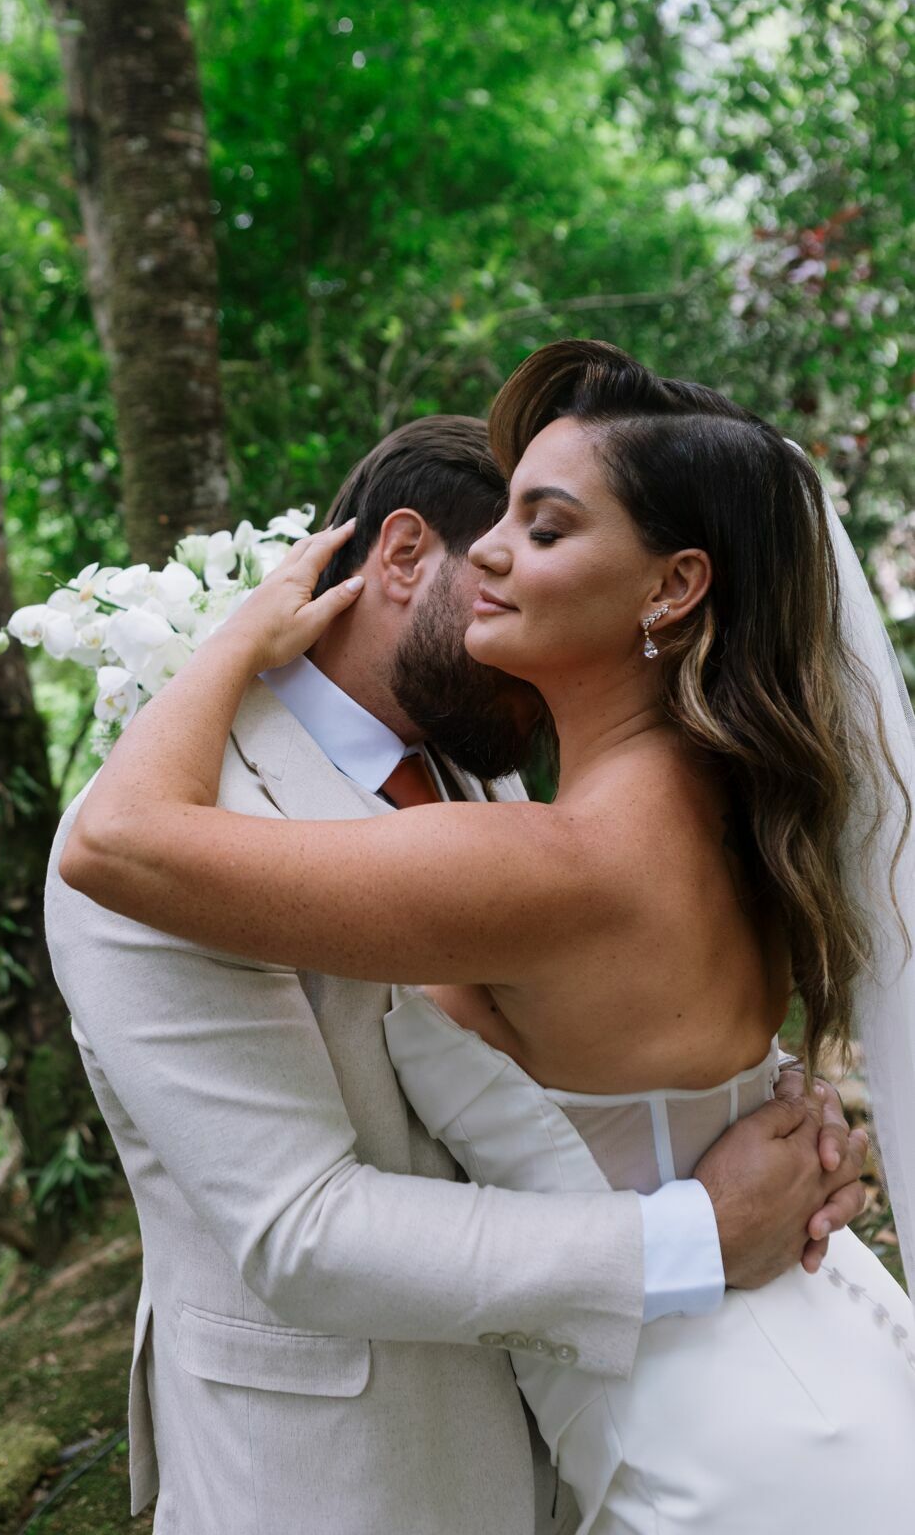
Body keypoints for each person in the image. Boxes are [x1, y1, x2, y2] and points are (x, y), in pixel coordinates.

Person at [49, 405, 870, 1535]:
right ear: (397, 554)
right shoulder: (159, 835)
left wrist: (765, 1110)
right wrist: (694, 1230)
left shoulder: (487, 785)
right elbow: (302, 1228)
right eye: (501, 547)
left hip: (616, 1432)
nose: (500, 579)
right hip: (352, 1473)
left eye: (542, 541)